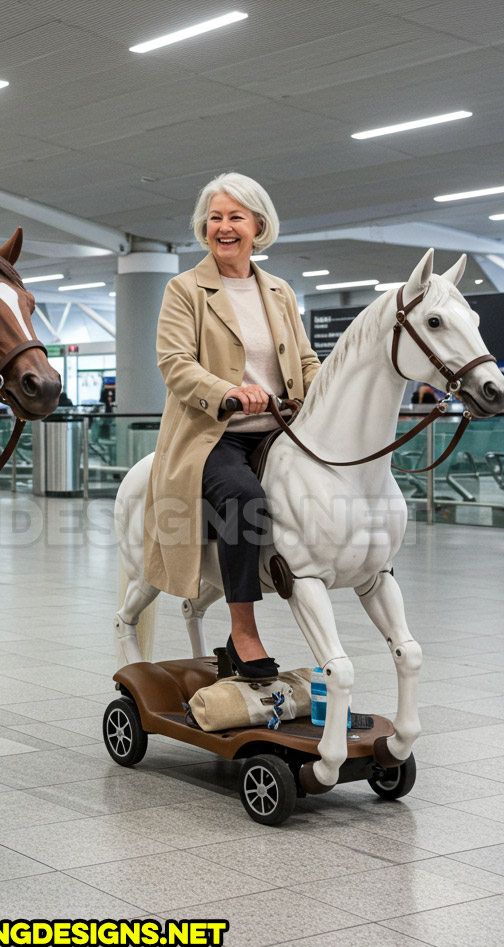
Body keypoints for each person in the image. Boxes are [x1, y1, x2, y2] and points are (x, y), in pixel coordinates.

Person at [144, 172, 320, 678]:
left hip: (278, 429)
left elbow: (306, 363)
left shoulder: (280, 291)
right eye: (215, 217)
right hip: (215, 434)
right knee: (245, 500)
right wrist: (228, 392)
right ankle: (242, 629)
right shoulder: (184, 289)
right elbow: (175, 362)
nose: (224, 226)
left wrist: (331, 389)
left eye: (235, 217)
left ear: (258, 226)